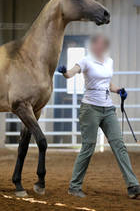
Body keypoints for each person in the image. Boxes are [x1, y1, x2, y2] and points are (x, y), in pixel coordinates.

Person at [58, 34, 140, 199]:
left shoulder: (109, 61)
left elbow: (107, 83)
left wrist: (118, 90)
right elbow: (72, 73)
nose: (100, 47)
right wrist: (65, 72)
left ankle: (133, 186)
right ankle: (74, 186)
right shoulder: (85, 60)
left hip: (108, 108)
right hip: (90, 109)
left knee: (119, 145)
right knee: (88, 147)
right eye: (97, 44)